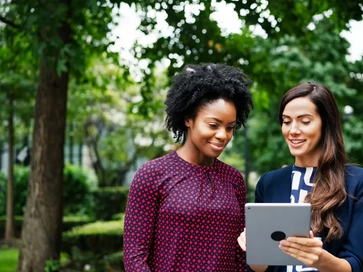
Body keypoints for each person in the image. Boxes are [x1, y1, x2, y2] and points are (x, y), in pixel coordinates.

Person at [123, 63, 253, 271]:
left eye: (229, 128)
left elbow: (240, 256)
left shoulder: (233, 179)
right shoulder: (152, 174)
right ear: (188, 119)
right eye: (213, 125)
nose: (223, 135)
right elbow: (135, 258)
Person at [238, 82, 363, 272]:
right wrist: (255, 250)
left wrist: (319, 259)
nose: (293, 130)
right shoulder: (269, 182)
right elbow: (258, 269)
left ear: (326, 124)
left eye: (305, 121)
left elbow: (357, 263)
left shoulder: (356, 181)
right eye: (287, 121)